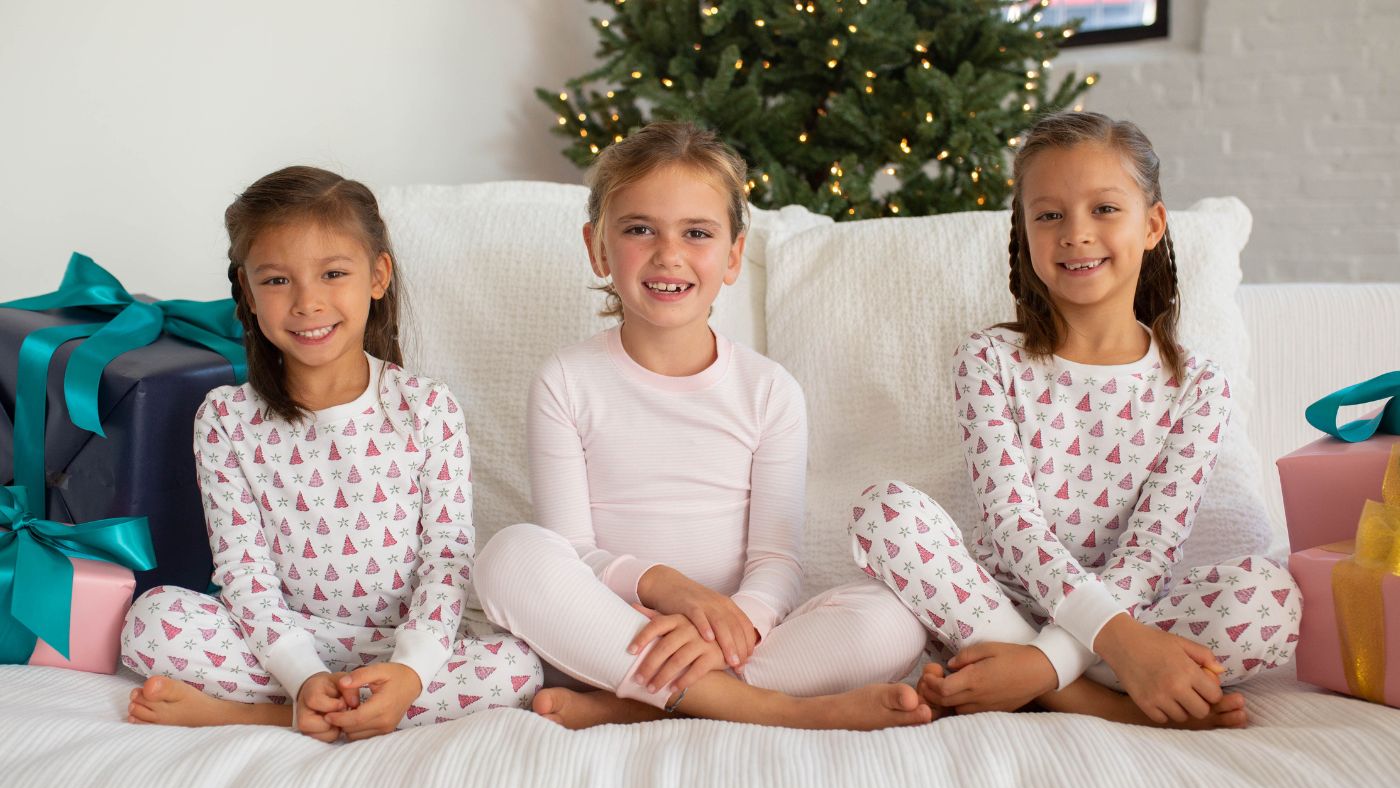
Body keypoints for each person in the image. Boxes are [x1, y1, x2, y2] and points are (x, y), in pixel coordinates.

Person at [473, 121, 932, 731]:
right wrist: (670, 589)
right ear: (598, 248)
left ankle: (641, 703)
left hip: (735, 643)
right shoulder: (566, 380)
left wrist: (727, 632)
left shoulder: (768, 391)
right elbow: (572, 552)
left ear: (735, 254)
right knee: (509, 555)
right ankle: (765, 709)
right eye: (640, 229)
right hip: (610, 637)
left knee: (893, 619)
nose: (669, 254)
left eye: (697, 233)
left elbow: (776, 560)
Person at [853, 111, 1300, 729]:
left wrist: (1049, 662)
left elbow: (1150, 552)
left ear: (1153, 224)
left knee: (1272, 601)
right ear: (1025, 232)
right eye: (1050, 214)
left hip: (1134, 612)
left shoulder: (1198, 386)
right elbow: (1014, 528)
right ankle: (1104, 702)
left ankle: (1024, 679)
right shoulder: (988, 360)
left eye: (1105, 210)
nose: (1075, 233)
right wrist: (1105, 650)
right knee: (885, 511)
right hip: (1004, 610)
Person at [121, 166, 541, 741]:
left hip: (397, 644)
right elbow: (243, 571)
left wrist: (410, 670)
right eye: (276, 281)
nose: (307, 302)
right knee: (152, 624)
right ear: (246, 289)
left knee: (515, 668)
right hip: (284, 639)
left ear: (377, 276)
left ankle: (272, 714)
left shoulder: (426, 407)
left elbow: (448, 556)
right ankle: (306, 706)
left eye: (333, 273)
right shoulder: (225, 418)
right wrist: (300, 673)